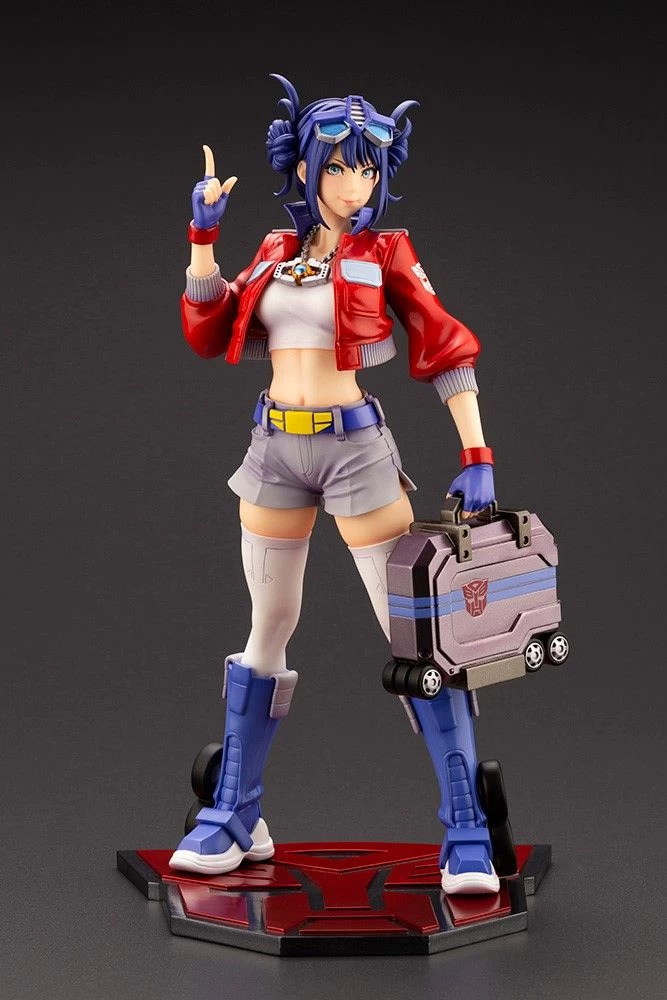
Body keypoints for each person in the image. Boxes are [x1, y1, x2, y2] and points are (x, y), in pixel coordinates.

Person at [169, 75, 500, 894]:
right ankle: (235, 811)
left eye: (368, 170)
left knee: (413, 639)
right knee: (267, 625)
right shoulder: (275, 254)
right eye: (340, 168)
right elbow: (209, 331)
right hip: (274, 447)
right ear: (305, 169)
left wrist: (476, 453)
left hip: (355, 451)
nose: (356, 185)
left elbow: (444, 345)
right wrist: (203, 238)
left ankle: (465, 827)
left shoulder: (387, 253)